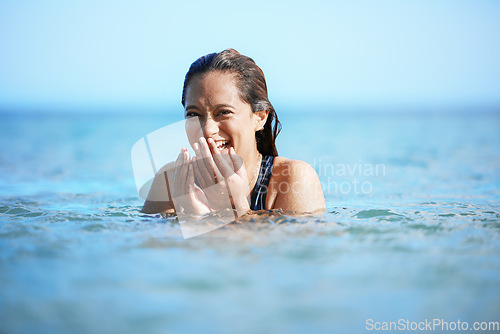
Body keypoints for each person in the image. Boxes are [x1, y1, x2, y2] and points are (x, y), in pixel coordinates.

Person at [141, 49, 325, 217]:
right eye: (194, 114)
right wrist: (192, 218)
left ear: (260, 118)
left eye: (223, 112)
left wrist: (230, 210)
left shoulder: (293, 178)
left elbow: (295, 251)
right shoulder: (170, 180)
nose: (207, 130)